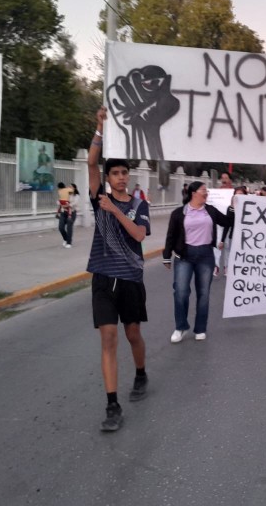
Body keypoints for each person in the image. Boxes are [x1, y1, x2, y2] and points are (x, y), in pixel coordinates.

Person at [86, 106, 151, 432]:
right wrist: (100, 127)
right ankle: (112, 405)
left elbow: (138, 235)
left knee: (132, 334)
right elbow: (91, 163)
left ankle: (140, 373)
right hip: (102, 279)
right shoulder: (99, 198)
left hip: (130, 280)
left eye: (125, 172)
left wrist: (116, 210)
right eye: (116, 173)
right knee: (109, 338)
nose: (121, 177)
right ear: (109, 179)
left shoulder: (139, 205)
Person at [163, 181, 231, 343]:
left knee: (203, 293)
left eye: (206, 191)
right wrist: (167, 255)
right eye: (203, 190)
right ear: (194, 193)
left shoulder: (211, 211)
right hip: (184, 256)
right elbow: (171, 235)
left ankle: (200, 328)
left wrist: (234, 206)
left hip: (205, 256)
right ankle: (180, 327)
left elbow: (227, 221)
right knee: (181, 292)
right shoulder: (179, 213)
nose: (206, 193)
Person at [220, 185, 248, 276]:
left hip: (245, 236)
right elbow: (227, 225)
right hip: (233, 235)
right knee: (228, 252)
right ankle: (227, 267)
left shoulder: (249, 207)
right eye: (237, 194)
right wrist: (222, 240)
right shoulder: (230, 208)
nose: (239, 196)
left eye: (241, 194)